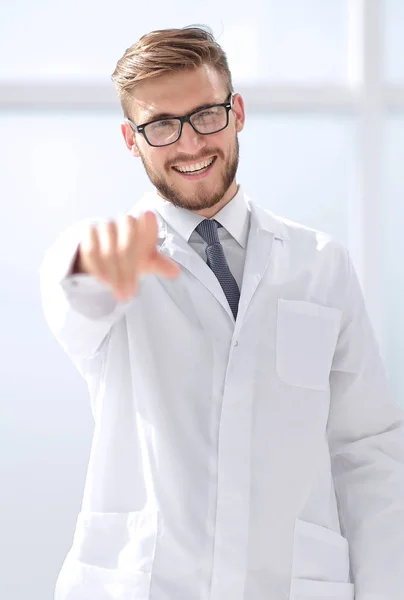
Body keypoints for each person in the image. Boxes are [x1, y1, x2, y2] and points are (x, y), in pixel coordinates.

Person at [39, 25, 404, 600]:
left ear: (236, 112)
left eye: (206, 115)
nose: (189, 145)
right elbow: (75, 294)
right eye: (160, 125)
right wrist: (92, 270)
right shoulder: (113, 260)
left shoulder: (321, 266)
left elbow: (368, 454)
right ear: (131, 140)